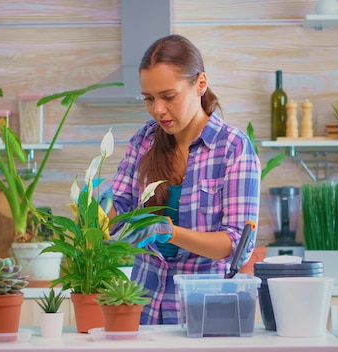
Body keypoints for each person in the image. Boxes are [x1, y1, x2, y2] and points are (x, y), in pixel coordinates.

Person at [109, 34, 261, 325]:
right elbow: (119, 212)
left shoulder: (233, 148)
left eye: (168, 96)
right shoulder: (144, 140)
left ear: (200, 84)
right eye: (149, 99)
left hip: (204, 312)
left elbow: (235, 245)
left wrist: (170, 231)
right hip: (143, 309)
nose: (158, 110)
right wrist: (97, 208)